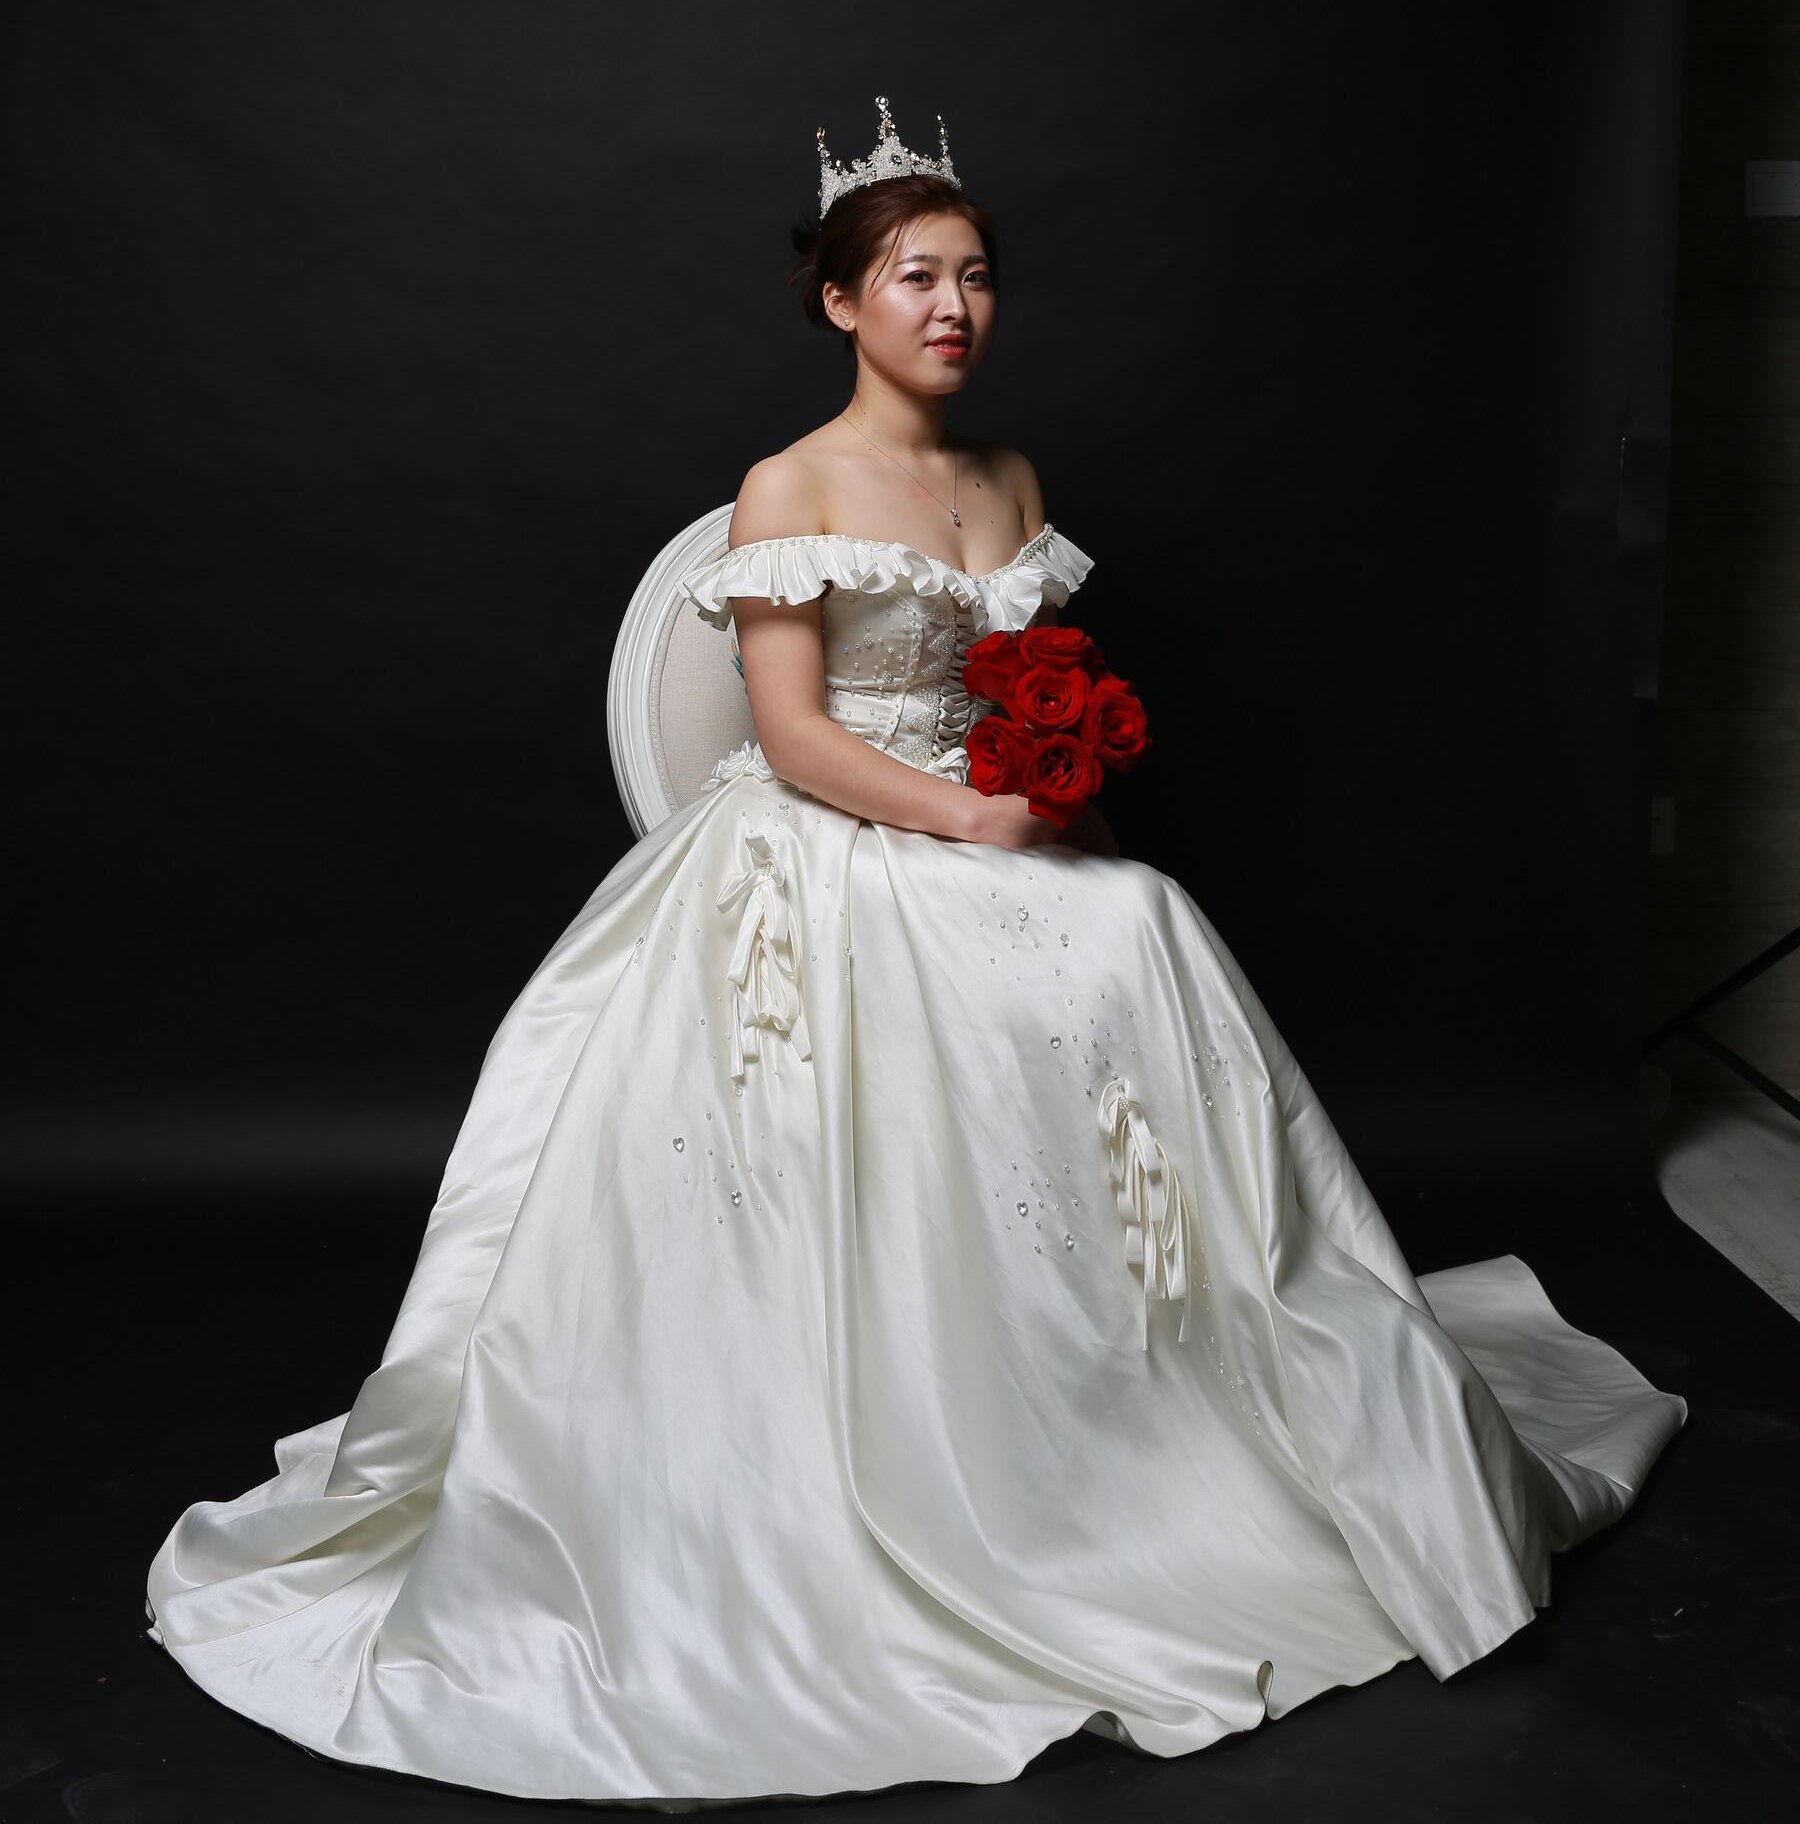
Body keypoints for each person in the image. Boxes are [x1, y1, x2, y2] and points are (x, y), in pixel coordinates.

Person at [144, 98, 1686, 1809]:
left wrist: (1052, 782)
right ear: (841, 303)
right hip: (832, 840)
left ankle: (1146, 1399)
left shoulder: (1010, 480)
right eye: (913, 278)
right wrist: (971, 822)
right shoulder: (790, 484)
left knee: (1143, 923)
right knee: (1045, 954)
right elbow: (795, 735)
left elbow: (1019, 696)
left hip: (989, 822)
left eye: (974, 277)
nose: (952, 306)